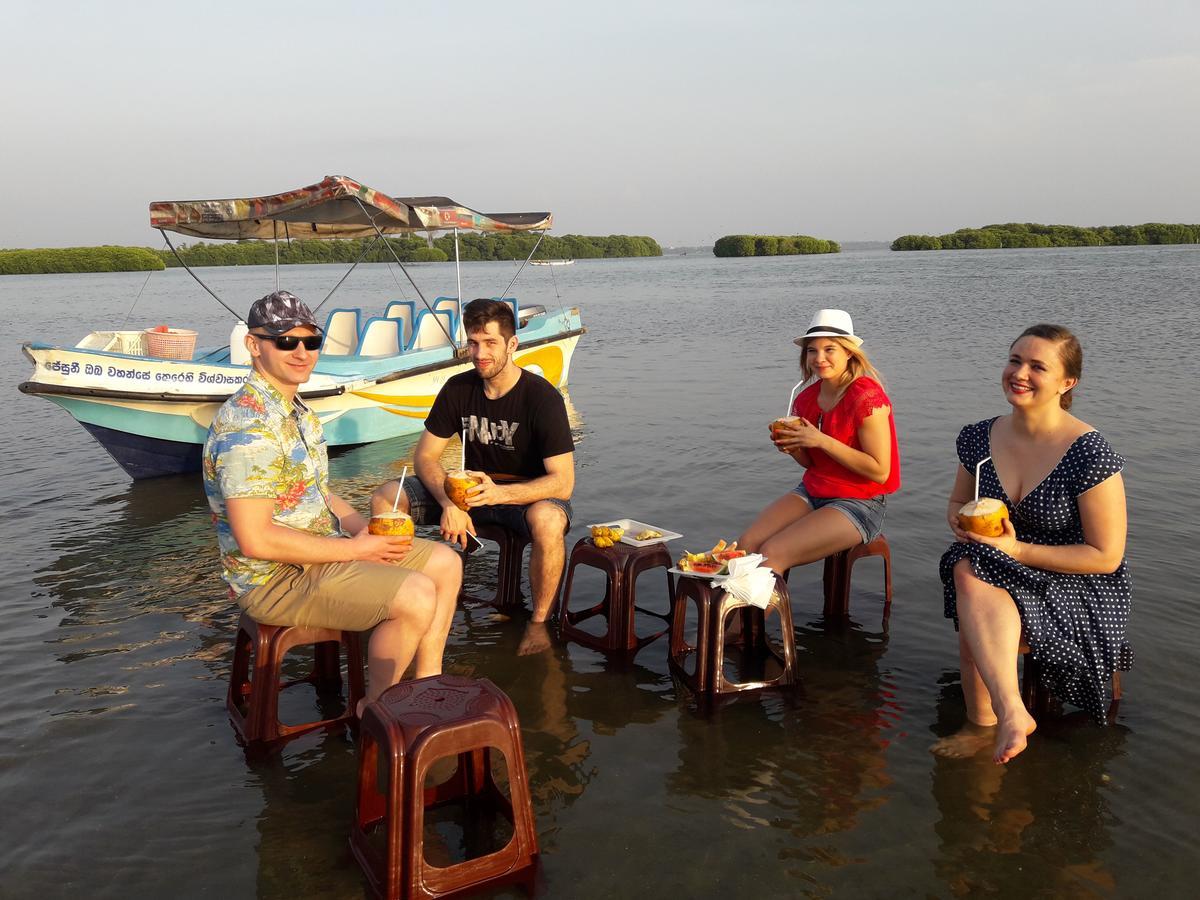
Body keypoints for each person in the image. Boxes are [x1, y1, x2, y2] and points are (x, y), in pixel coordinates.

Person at [203, 291, 460, 714]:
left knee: (445, 564)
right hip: (273, 578)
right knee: (414, 594)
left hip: (323, 551)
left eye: (311, 341)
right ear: (254, 346)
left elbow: (317, 492)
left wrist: (362, 527)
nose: (301, 352)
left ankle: (426, 681)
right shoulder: (248, 427)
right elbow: (254, 539)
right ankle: (378, 711)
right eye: (285, 341)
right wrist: (355, 550)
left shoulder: (296, 410)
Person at [934, 324, 1131, 765]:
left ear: (1067, 382)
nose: (1019, 373)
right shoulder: (979, 438)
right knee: (967, 567)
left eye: (1037, 366)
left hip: (1074, 577)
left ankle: (988, 720)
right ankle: (1004, 715)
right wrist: (957, 519)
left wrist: (1017, 550)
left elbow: (1106, 556)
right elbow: (957, 500)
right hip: (995, 566)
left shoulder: (1089, 452)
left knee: (970, 577)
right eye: (1014, 360)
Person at [371, 298, 575, 656]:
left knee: (548, 519)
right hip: (465, 494)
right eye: (473, 342)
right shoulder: (458, 388)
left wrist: (498, 495)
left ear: (512, 345)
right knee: (387, 497)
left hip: (524, 496)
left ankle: (539, 623)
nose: (480, 353)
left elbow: (563, 482)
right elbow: (426, 456)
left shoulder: (542, 399)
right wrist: (449, 502)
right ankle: (394, 599)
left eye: (491, 343)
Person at [739, 308, 900, 576]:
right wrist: (793, 447)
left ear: (848, 352)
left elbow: (880, 470)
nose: (819, 358)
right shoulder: (805, 398)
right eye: (812, 350)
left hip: (860, 500)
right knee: (746, 546)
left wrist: (821, 440)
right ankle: (738, 618)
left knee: (773, 553)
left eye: (829, 349)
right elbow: (811, 463)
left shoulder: (866, 397)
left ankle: (755, 618)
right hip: (813, 490)